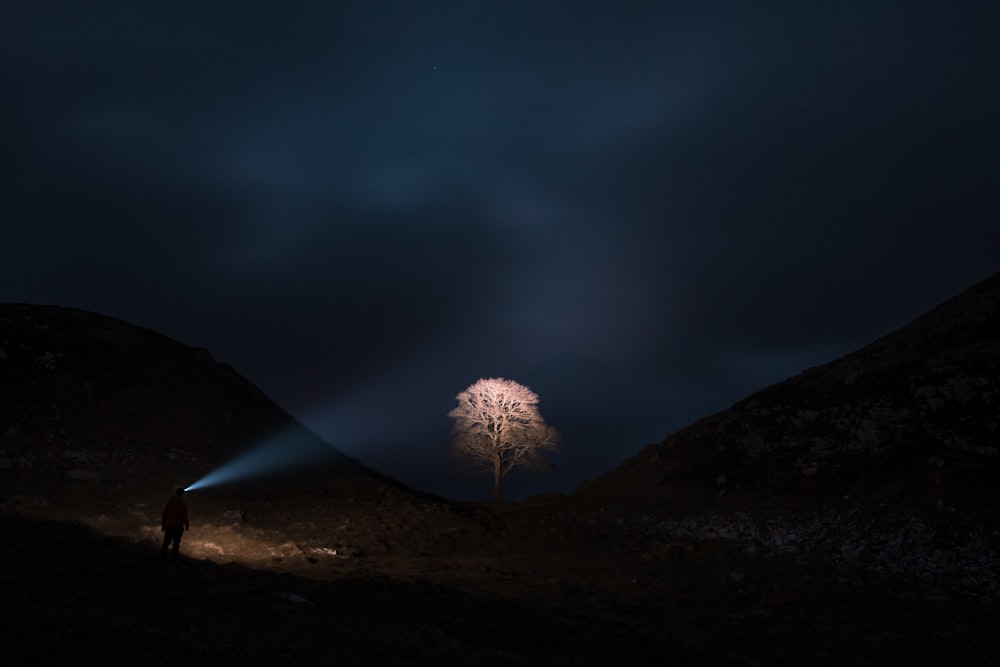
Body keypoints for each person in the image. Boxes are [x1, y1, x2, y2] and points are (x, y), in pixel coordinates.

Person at [160, 487, 190, 563]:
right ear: (182, 494)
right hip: (177, 526)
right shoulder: (183, 503)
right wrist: (187, 525)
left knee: (166, 542)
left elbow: (165, 514)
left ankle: (162, 558)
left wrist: (163, 525)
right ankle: (173, 560)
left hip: (169, 525)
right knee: (176, 544)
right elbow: (184, 515)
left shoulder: (170, 502)